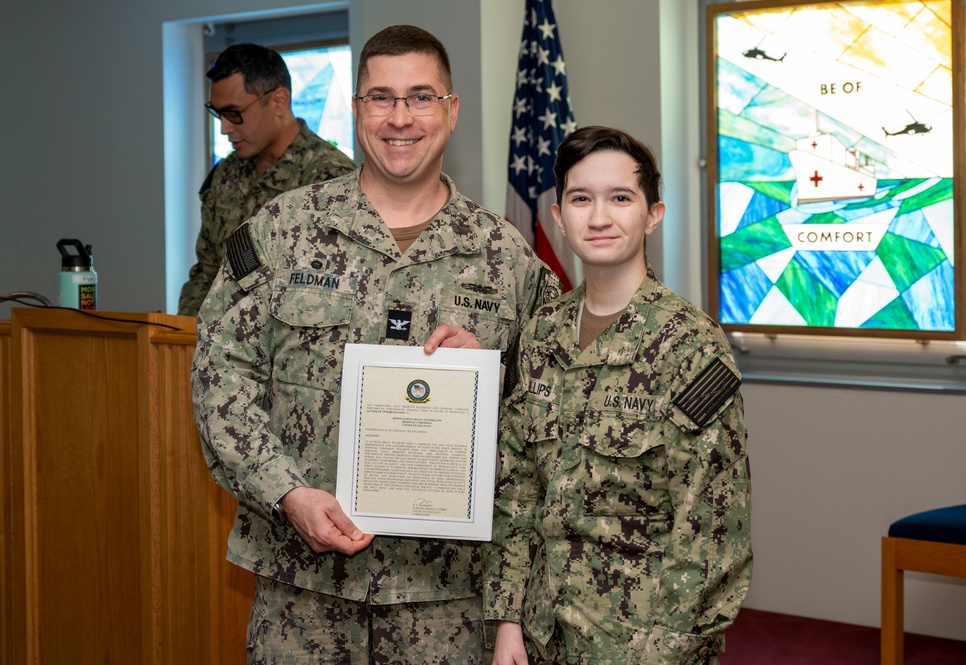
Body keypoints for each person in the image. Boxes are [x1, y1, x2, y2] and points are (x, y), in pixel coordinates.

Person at [191, 25, 560, 663]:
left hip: (447, 600)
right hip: (302, 594)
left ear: (451, 110)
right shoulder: (283, 233)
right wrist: (287, 492)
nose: (400, 118)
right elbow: (220, 377)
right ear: (357, 109)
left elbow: (558, 407)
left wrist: (495, 375)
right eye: (380, 98)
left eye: (421, 97)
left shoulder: (505, 256)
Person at [483, 126, 753, 665]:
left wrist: (662, 654)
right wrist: (508, 621)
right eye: (581, 199)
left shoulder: (691, 346)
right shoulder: (539, 335)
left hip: (641, 645)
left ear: (653, 214)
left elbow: (710, 529)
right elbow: (516, 495)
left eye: (621, 198)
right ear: (558, 216)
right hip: (541, 636)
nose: (599, 217)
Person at [177, 42, 355, 316]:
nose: (224, 128)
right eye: (218, 114)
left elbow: (332, 291)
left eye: (234, 114)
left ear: (278, 101)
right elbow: (207, 273)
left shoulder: (329, 179)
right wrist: (185, 336)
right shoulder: (226, 175)